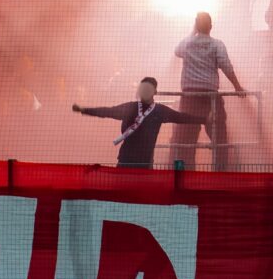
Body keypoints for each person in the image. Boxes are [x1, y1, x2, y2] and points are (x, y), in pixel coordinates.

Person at [73, 77, 205, 167]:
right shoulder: (131, 107)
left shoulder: (159, 111)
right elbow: (107, 111)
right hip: (126, 161)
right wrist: (84, 110)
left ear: (155, 92)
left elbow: (181, 117)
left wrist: (203, 120)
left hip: (144, 163)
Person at [172, 12, 246, 169]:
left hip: (190, 98)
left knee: (185, 140)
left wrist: (193, 32)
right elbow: (226, 66)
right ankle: (220, 174)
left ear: (196, 24)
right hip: (210, 97)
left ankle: (185, 175)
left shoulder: (187, 43)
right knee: (219, 139)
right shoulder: (217, 44)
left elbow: (177, 51)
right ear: (211, 26)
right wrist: (237, 87)